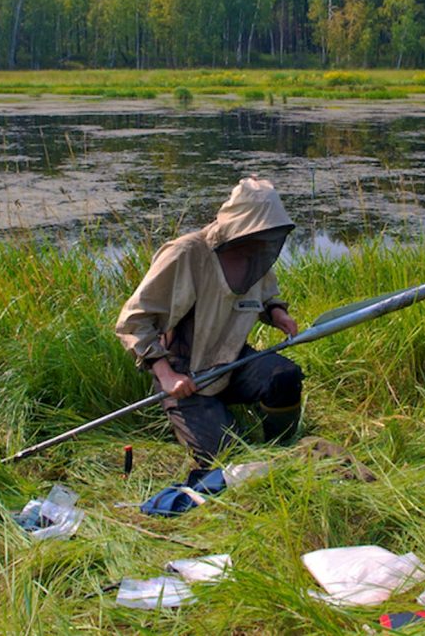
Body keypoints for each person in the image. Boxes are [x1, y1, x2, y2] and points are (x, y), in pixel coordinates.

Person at [115, 176, 303, 467]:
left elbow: (266, 295)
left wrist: (277, 313)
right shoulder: (186, 254)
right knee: (229, 459)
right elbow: (134, 321)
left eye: (269, 234)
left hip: (233, 360)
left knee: (285, 376)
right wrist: (167, 376)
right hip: (186, 375)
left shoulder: (256, 256)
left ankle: (284, 446)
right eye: (259, 233)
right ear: (239, 226)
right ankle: (196, 416)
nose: (264, 242)